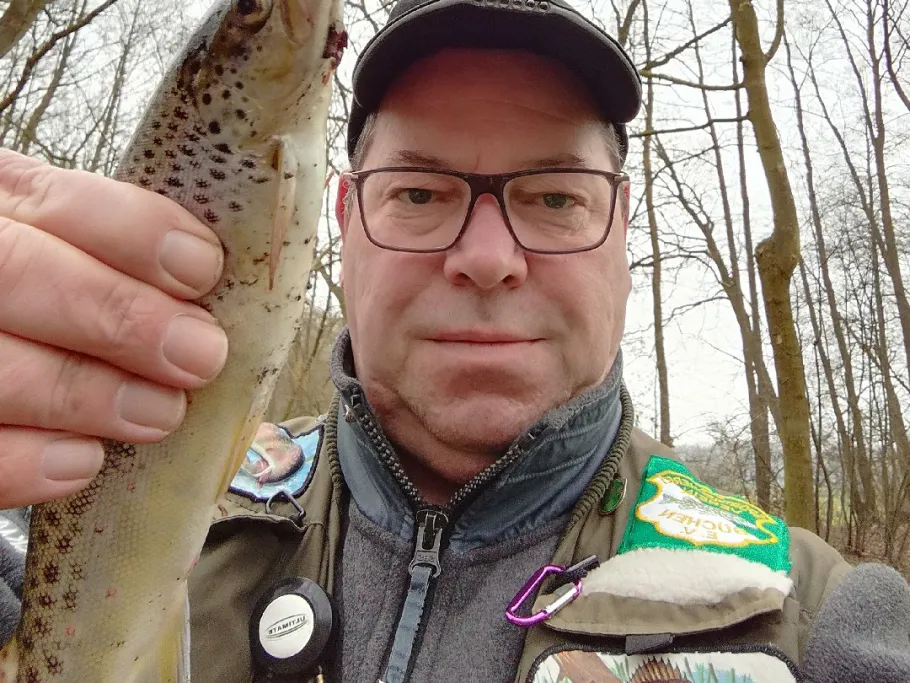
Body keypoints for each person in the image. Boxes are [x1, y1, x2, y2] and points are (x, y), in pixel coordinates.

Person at [0, 0, 908, 681]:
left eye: (554, 198)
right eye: (421, 193)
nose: (485, 258)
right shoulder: (57, 517)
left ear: (623, 231)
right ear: (340, 221)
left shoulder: (811, 620)